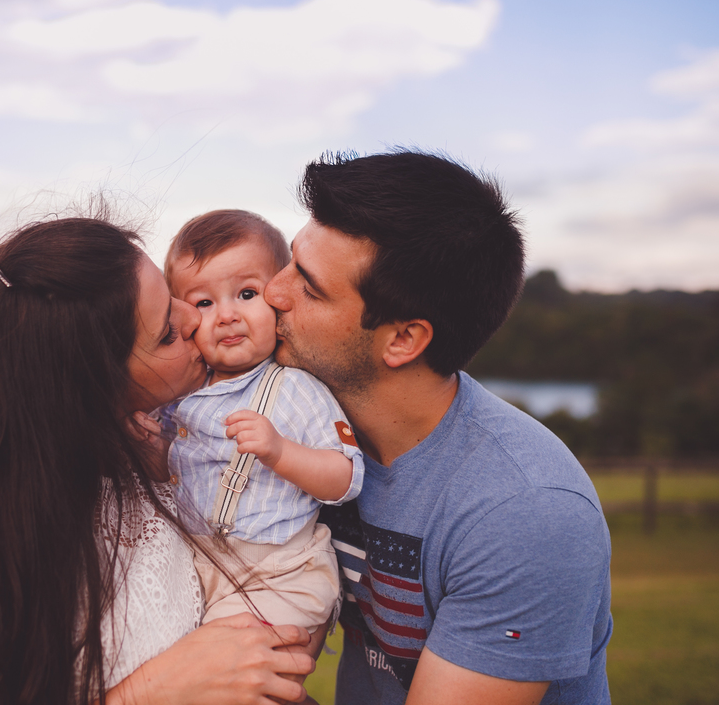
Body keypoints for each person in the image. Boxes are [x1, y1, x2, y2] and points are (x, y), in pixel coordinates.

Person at [0, 214, 315, 705]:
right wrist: (156, 692)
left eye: (172, 297)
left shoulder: (167, 447)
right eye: (166, 333)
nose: (194, 317)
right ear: (93, 385)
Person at [263, 151, 613, 704]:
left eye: (309, 286)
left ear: (403, 340)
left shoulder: (524, 511)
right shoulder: (310, 439)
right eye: (290, 262)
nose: (272, 292)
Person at [160, 209, 364, 636]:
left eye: (247, 294)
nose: (227, 315)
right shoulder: (180, 393)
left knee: (225, 655)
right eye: (204, 303)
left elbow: (345, 478)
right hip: (196, 561)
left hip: (279, 571)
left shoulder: (294, 388)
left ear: (277, 297)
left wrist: (281, 451)